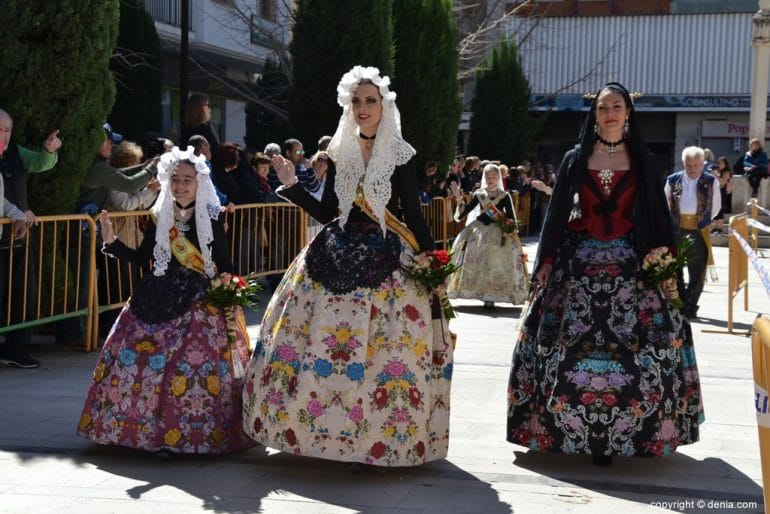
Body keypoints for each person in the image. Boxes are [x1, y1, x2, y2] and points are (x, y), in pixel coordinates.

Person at [241, 65, 453, 467]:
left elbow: (413, 212)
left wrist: (433, 260)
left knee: (384, 348)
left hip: (387, 254)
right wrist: (292, 186)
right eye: (356, 101)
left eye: (370, 100)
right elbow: (327, 211)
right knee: (310, 339)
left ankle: (372, 437)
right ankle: (309, 427)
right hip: (334, 249)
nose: (362, 107)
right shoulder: (340, 152)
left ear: (384, 105)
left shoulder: (400, 154)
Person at [507, 82, 703, 466]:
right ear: (594, 115)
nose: (610, 113)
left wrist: (666, 261)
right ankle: (568, 430)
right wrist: (546, 261)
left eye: (616, 106)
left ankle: (627, 432)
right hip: (577, 262)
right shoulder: (574, 159)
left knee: (646, 343)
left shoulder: (644, 159)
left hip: (633, 264)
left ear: (628, 112)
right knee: (563, 340)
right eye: (602, 108)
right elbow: (558, 214)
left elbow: (659, 217)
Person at [77, 147, 254, 454]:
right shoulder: (161, 217)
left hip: (198, 301)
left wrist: (228, 287)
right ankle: (135, 428)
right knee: (140, 362)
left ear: (200, 183)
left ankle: (191, 432)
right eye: (175, 179)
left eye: (188, 179)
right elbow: (144, 258)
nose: (181, 185)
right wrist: (111, 242)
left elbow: (224, 264)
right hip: (155, 295)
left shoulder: (211, 218)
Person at [0, 108, 61, 368]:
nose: (3, 135)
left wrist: (49, 151)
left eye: (7, 130)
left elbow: (39, 163)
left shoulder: (15, 153)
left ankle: (16, 349)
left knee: (23, 293)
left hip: (18, 237)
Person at [447, 164, 529, 310]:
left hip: (499, 230)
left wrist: (509, 229)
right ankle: (479, 291)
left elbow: (511, 217)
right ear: (484, 177)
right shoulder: (479, 194)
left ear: (499, 178)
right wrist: (459, 200)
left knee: (495, 261)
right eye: (488, 177)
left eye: (494, 177)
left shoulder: (505, 196)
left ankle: (492, 296)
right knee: (476, 259)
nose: (490, 180)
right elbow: (461, 215)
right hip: (479, 230)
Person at [665, 146, 720, 320]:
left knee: (697, 271)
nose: (692, 169)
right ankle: (679, 303)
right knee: (675, 268)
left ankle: (690, 304)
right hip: (676, 229)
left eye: (696, 165)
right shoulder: (672, 179)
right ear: (684, 163)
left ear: (702, 164)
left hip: (698, 230)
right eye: (689, 165)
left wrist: (703, 220)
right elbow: (665, 202)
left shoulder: (711, 181)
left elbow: (716, 206)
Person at [712, 156, 733, 233]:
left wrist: (715, 175)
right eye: (719, 163)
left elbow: (722, 182)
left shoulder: (726, 172)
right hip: (715, 192)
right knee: (715, 209)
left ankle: (719, 228)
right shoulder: (716, 171)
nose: (720, 165)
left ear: (725, 164)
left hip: (722, 192)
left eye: (722, 163)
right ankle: (715, 227)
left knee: (720, 209)